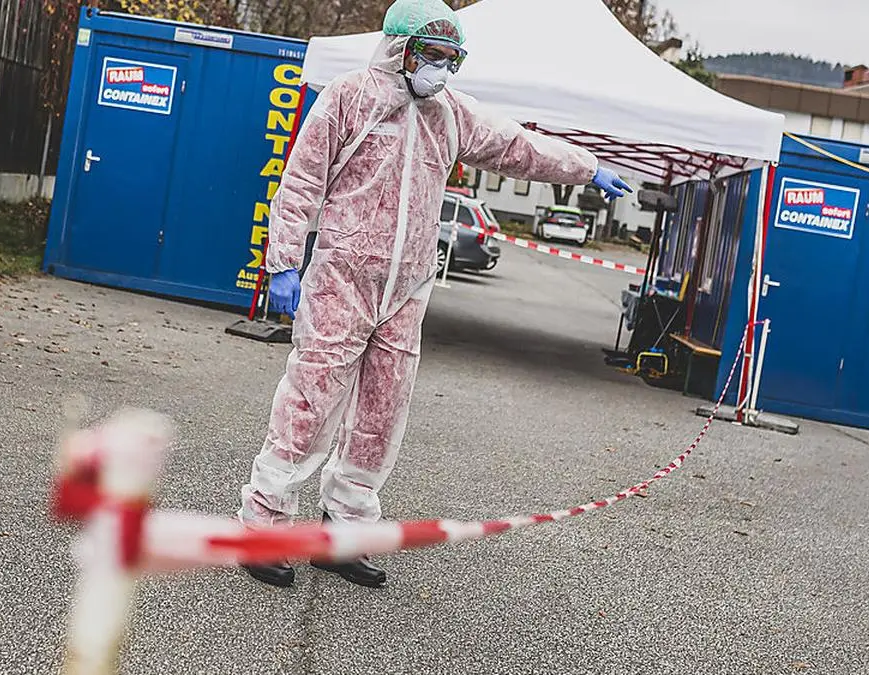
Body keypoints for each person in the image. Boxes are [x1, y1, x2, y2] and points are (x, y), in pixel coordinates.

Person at [237, 0, 633, 588]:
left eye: (453, 58)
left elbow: (515, 145)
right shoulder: (347, 97)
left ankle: (345, 532)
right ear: (401, 49)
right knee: (309, 403)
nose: (442, 69)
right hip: (342, 278)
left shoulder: (450, 114)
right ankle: (263, 528)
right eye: (434, 55)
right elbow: (301, 182)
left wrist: (584, 168)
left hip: (406, 289)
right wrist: (284, 262)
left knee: (380, 413)